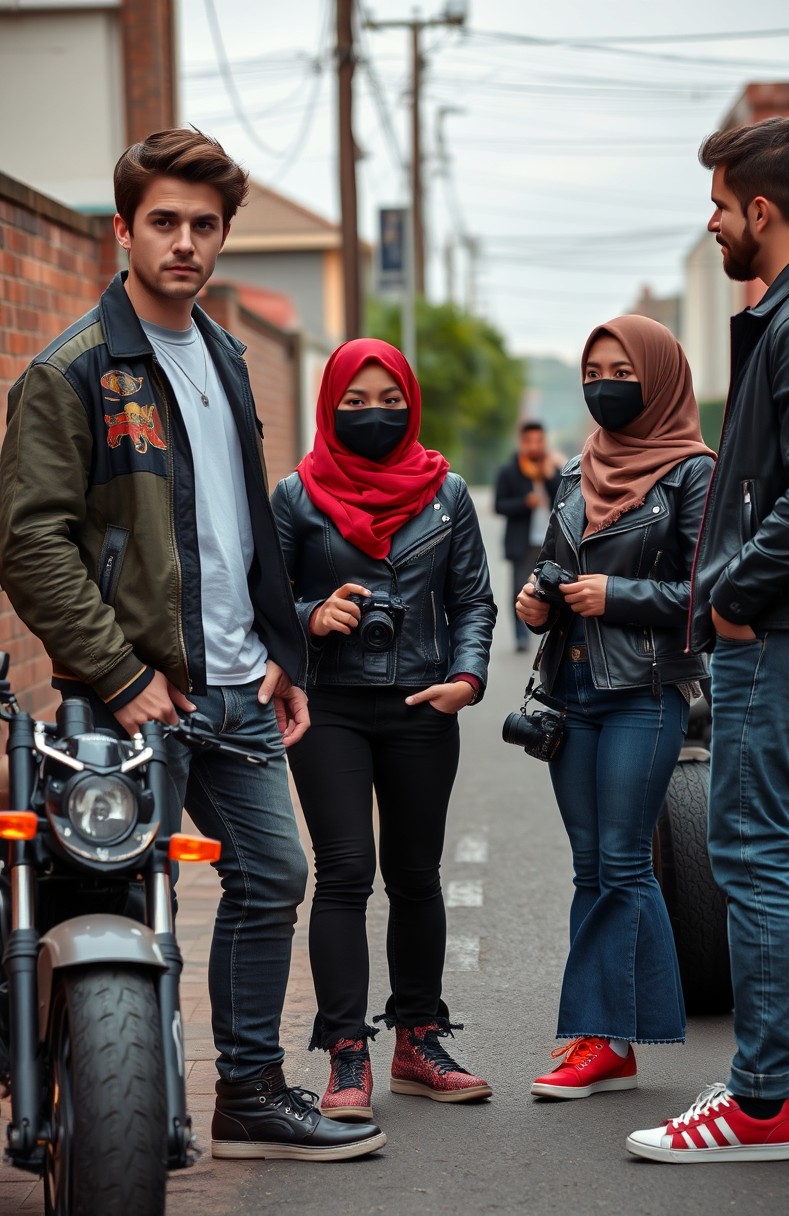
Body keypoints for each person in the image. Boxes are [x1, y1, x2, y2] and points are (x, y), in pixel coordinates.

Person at [0, 128, 385, 1162]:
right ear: (123, 230)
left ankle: (248, 1093)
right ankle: (96, 1112)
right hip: (135, 695)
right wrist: (121, 675)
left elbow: (238, 522)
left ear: (222, 238)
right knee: (111, 895)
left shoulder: (219, 351)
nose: (184, 243)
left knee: (273, 876)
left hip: (236, 685)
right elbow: (30, 543)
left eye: (203, 226)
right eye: (163, 222)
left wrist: (283, 647)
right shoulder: (71, 370)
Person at [628, 117, 789, 1163]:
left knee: (754, 858)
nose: (711, 224)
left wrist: (735, 594)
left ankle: (756, 1103)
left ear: (759, 209)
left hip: (784, 635)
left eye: (718, 205)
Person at [272, 338, 496, 1124]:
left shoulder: (448, 494)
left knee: (416, 872)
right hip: (328, 702)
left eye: (390, 400)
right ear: (331, 405)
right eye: (356, 402)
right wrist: (312, 614)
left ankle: (418, 1039)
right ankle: (345, 1051)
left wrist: (466, 680)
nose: (375, 415)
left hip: (422, 702)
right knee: (344, 871)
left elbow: (473, 599)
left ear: (412, 402)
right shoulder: (297, 495)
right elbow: (266, 604)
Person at [515, 315, 715, 1102]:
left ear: (659, 376)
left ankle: (599, 1037)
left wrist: (617, 596)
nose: (604, 383)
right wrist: (541, 599)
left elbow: (707, 594)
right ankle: (614, 1040)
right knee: (591, 865)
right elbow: (558, 568)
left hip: (646, 692)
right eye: (592, 369)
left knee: (626, 861)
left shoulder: (693, 472)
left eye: (620, 369)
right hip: (571, 693)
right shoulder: (573, 473)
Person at [495, 421, 561, 651]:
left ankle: (547, 629)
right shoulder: (510, 471)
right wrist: (524, 503)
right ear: (521, 443)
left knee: (551, 588)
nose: (534, 446)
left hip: (549, 542)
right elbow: (499, 505)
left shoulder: (552, 470)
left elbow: (564, 501)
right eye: (529, 441)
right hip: (522, 542)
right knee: (518, 589)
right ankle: (520, 634)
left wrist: (550, 475)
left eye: (538, 440)